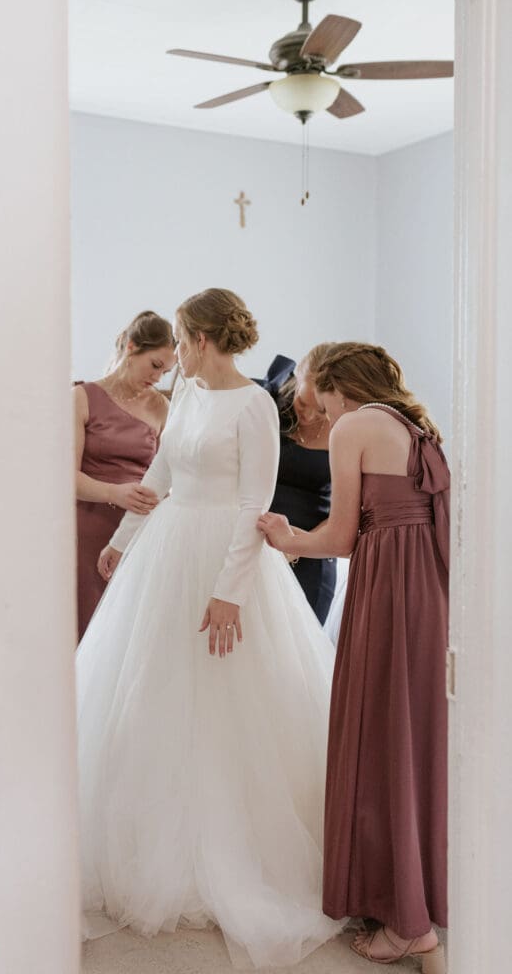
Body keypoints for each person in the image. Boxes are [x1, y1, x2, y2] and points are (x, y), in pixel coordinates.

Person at [77, 288, 343, 969]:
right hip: (167, 550)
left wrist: (229, 593)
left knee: (228, 701)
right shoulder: (190, 397)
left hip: (226, 553)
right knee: (153, 693)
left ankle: (237, 849)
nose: (174, 365)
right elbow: (161, 471)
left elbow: (255, 500)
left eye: (181, 347)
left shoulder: (254, 403)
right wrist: (126, 538)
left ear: (199, 339)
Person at [258, 342, 449, 974]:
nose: (303, 391)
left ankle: (407, 926)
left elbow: (339, 538)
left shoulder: (354, 426)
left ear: (331, 381)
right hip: (427, 590)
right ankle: (409, 899)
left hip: (390, 588)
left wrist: (287, 538)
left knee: (376, 734)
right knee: (412, 738)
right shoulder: (411, 424)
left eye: (309, 379)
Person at [74, 310, 176, 640]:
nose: (159, 378)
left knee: (128, 633)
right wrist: (113, 493)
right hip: (87, 525)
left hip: (139, 529)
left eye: (167, 371)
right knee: (86, 622)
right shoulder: (81, 398)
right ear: (132, 347)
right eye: (156, 365)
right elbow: (65, 477)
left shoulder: (162, 407)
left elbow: (166, 473)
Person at [259, 345, 337, 623]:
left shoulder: (346, 429)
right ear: (297, 378)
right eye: (303, 403)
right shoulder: (268, 403)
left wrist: (297, 544)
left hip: (311, 552)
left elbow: (350, 512)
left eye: (321, 410)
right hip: (256, 543)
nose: (309, 416)